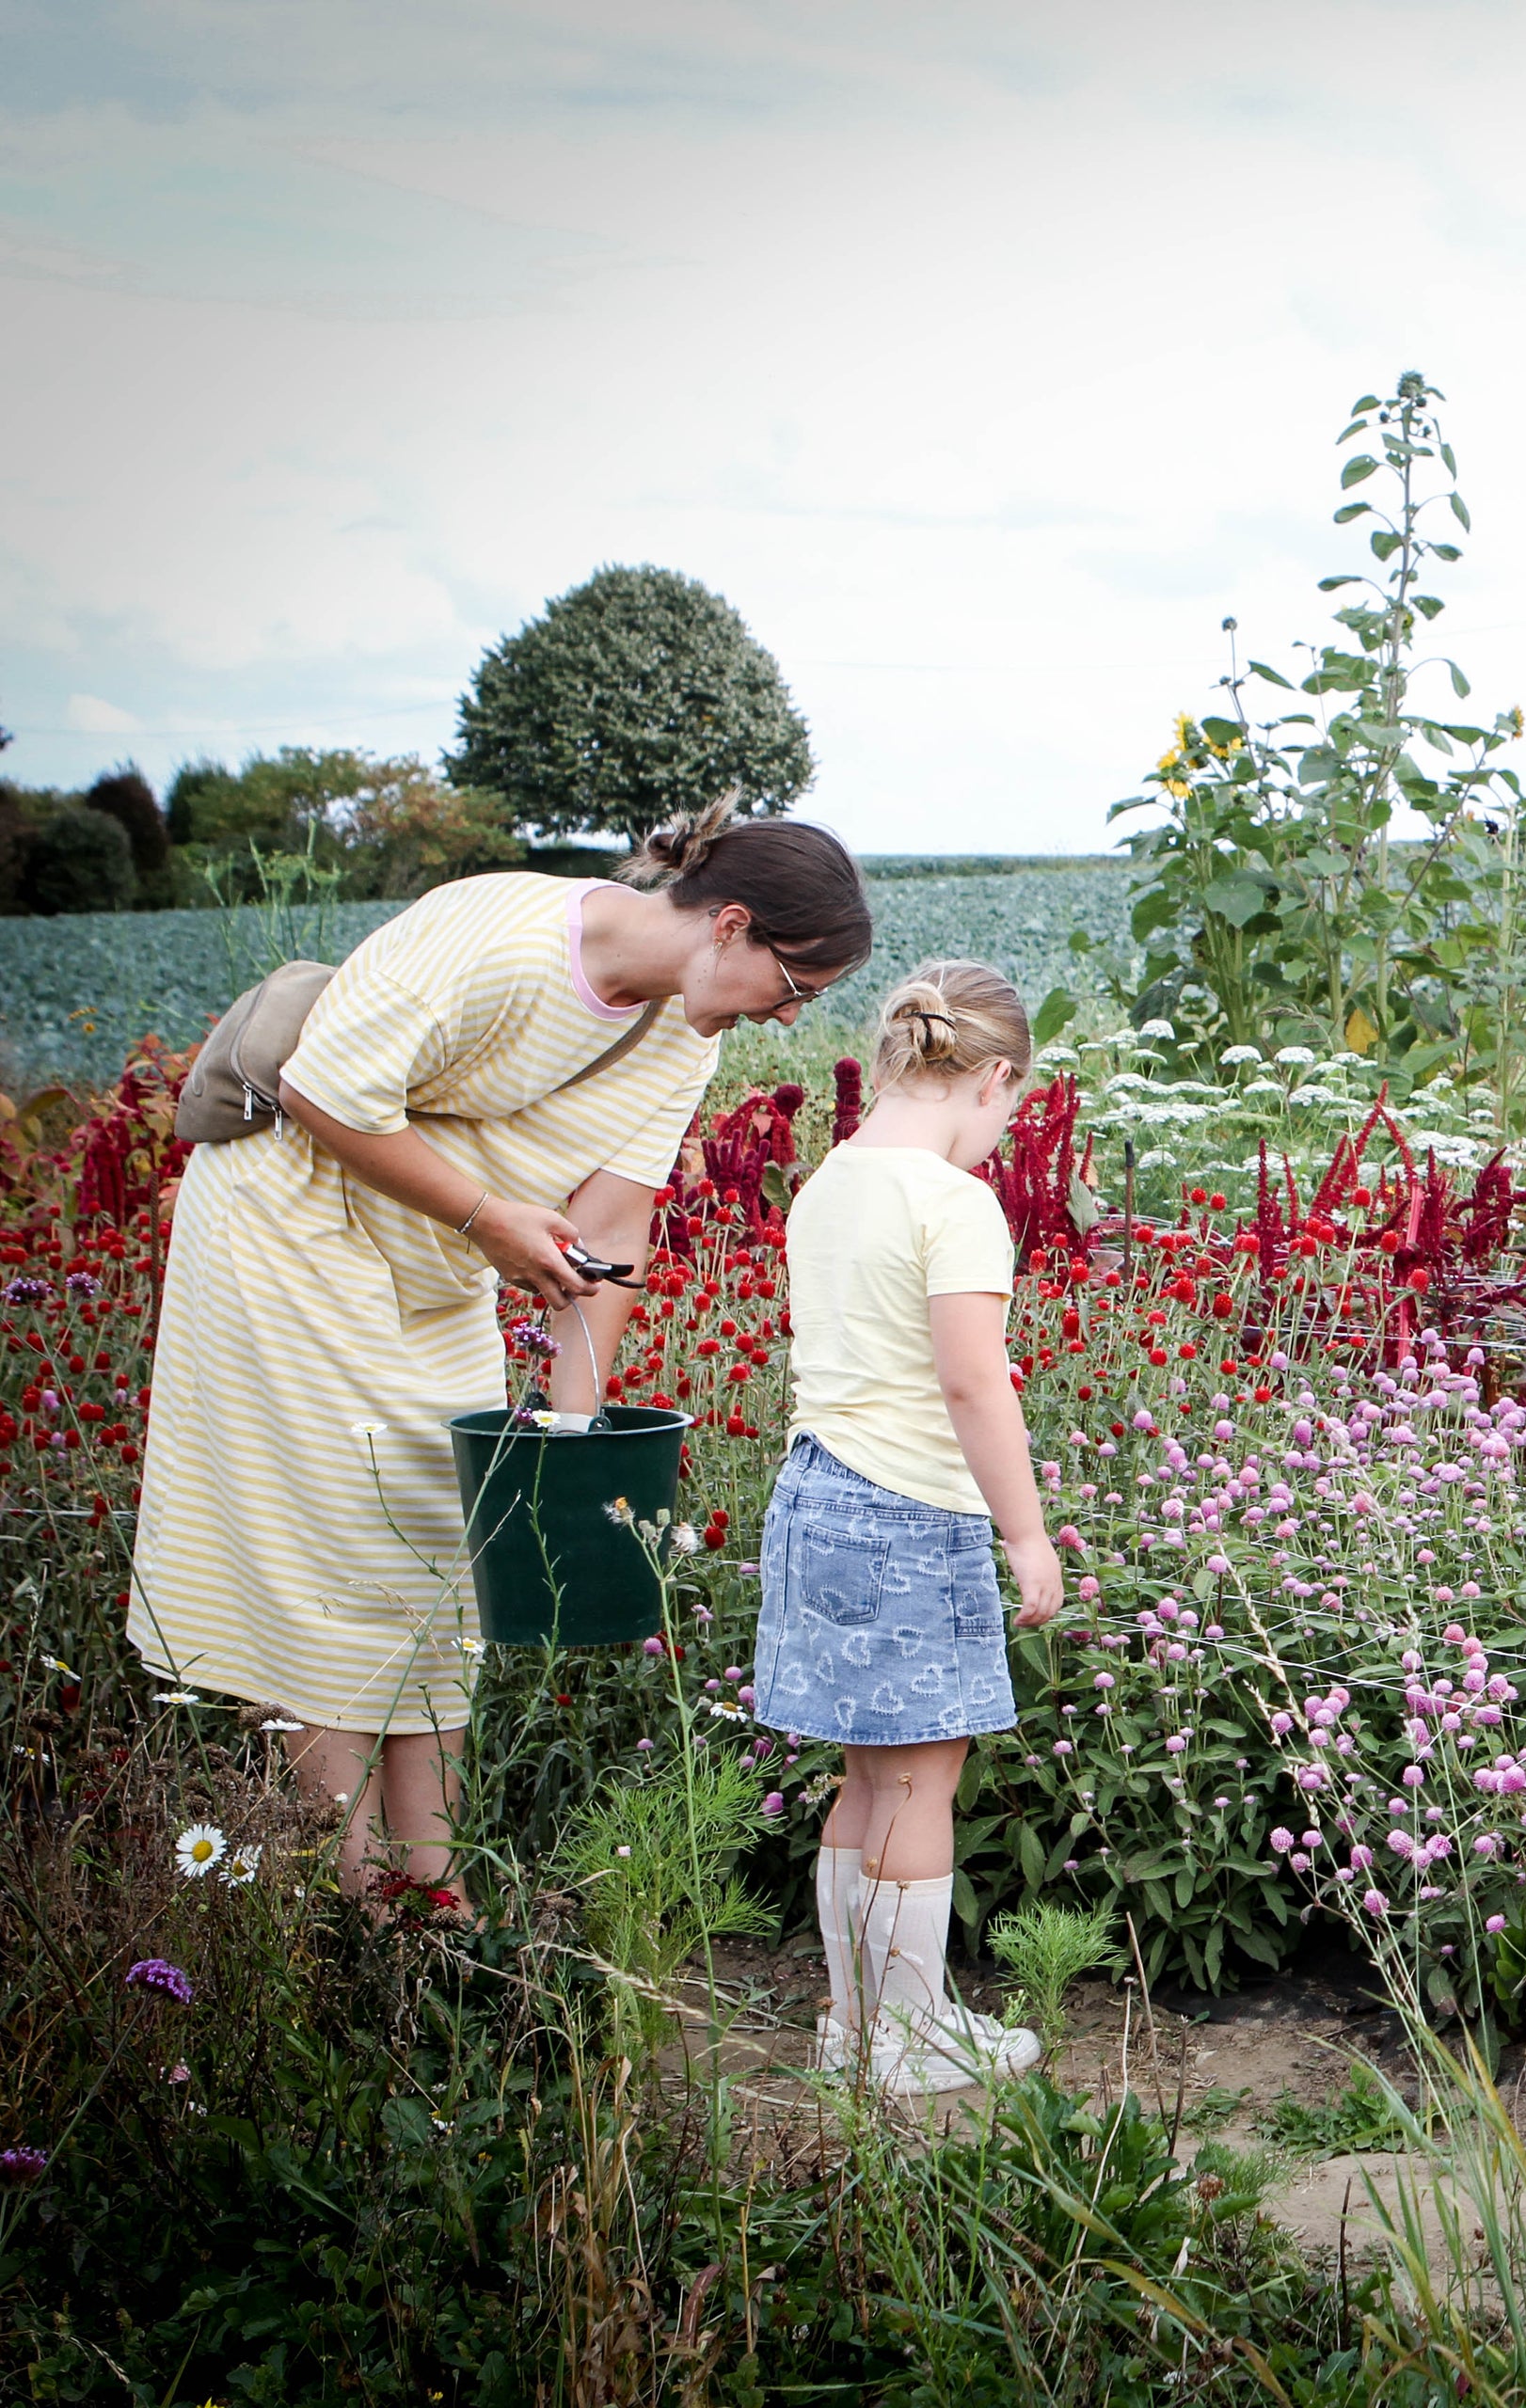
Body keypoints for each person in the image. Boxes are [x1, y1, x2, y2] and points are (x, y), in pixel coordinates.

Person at [131, 806, 870, 1910]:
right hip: (287, 1241)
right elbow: (322, 1091)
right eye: (796, 986)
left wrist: (576, 1440)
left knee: (441, 1547)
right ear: (731, 925)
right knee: (336, 1548)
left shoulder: (682, 1031)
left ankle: (435, 1893)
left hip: (428, 1268)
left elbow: (611, 1236)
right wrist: (487, 1219)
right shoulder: (501, 934)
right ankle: (360, 1903)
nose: (788, 1016)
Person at [755, 961, 1058, 2094]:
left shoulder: (830, 1180)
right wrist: (1025, 1535)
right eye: (1011, 1108)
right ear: (991, 1077)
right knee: (922, 1787)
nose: (1003, 1135)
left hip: (815, 1493)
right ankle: (913, 2039)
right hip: (909, 1512)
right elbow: (975, 1385)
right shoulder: (953, 1203)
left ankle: (853, 2025)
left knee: (864, 1778)